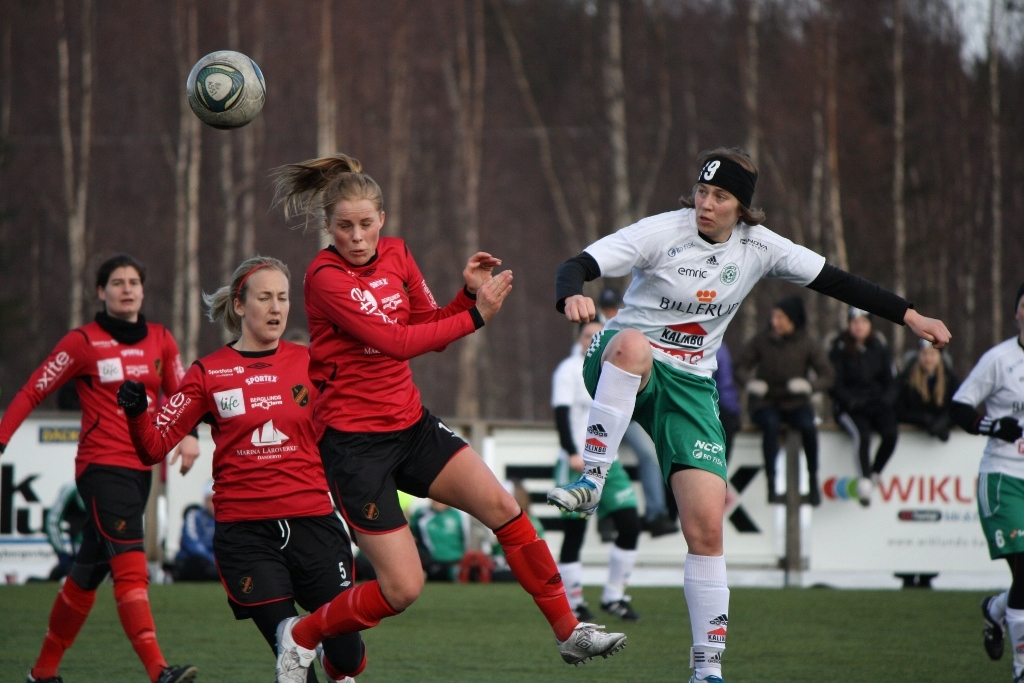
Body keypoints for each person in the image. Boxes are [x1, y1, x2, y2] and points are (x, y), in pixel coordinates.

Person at [546, 147, 950, 683]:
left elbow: (838, 281)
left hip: (692, 387)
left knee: (707, 530)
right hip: (621, 361)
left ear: (742, 207)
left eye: (720, 196)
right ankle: (593, 481)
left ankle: (707, 670)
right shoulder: (662, 232)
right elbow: (576, 265)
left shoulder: (760, 247)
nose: (705, 204)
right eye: (702, 192)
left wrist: (910, 316)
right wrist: (571, 295)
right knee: (633, 344)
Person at [267, 154, 625, 682]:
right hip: (355, 447)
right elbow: (395, 342)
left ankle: (568, 631)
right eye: (344, 227)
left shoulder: (397, 254)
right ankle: (300, 635)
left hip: (411, 426)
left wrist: (467, 295)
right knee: (402, 589)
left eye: (365, 224)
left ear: (382, 219)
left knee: (505, 508)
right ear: (328, 226)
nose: (357, 237)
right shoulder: (324, 276)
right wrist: (477, 315)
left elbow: (428, 326)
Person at [119, 256, 365, 683]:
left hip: (313, 524)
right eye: (265, 297)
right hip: (247, 536)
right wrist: (138, 412)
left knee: (348, 657)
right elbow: (152, 447)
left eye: (283, 298)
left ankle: (335, 662)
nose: (276, 308)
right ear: (239, 304)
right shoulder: (207, 373)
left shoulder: (314, 362)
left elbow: (353, 430)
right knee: (294, 661)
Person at [0, 254, 199, 683]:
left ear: (143, 290)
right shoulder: (82, 343)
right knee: (131, 569)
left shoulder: (162, 339)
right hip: (101, 468)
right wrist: (2, 437)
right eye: (117, 282)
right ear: (100, 291)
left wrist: (190, 435)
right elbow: (34, 389)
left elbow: (183, 396)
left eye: (134, 282)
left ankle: (42, 672)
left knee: (85, 577)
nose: (127, 289)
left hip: (141, 471)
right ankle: (159, 672)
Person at [949, 282, 1024, 682]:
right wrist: (993, 425)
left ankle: (995, 610)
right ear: (1016, 313)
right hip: (1003, 478)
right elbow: (959, 407)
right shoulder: (999, 360)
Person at [553, 322, 642, 622]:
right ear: (579, 339)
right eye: (587, 335)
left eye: (599, 334)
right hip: (577, 462)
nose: (593, 339)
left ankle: (614, 596)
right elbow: (561, 414)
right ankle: (574, 601)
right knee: (575, 533)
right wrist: (571, 452)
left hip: (609, 462)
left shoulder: (612, 369)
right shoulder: (568, 370)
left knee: (630, 524)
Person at [736, 295, 833, 505]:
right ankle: (771, 481)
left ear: (793, 320)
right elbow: (740, 367)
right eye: (774, 317)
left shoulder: (807, 342)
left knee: (808, 427)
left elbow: (828, 375)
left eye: (780, 317)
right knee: (770, 425)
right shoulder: (762, 340)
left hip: (796, 402)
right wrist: (751, 383)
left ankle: (813, 479)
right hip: (766, 401)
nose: (775, 322)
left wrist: (810, 386)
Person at [599, 288, 677, 536]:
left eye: (614, 308)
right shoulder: (595, 331)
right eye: (607, 309)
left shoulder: (632, 326)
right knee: (601, 458)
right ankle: (606, 516)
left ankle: (656, 513)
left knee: (651, 455)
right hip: (603, 409)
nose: (611, 313)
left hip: (631, 410)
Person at [829, 307, 900, 506]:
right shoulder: (839, 350)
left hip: (876, 404)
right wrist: (850, 401)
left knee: (891, 433)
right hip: (851, 406)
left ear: (870, 325)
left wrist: (885, 400)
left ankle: (874, 472)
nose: (859, 327)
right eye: (855, 322)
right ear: (849, 325)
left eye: (863, 322)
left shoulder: (881, 349)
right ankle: (865, 480)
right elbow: (834, 383)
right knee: (862, 435)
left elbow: (892, 381)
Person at [896, 339, 958, 441]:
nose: (928, 359)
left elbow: (960, 407)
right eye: (924, 354)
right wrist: (924, 420)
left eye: (932, 354)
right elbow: (899, 409)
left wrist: (944, 422)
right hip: (911, 439)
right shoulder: (907, 379)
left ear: (940, 356)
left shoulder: (949, 379)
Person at [410, 500, 470, 582]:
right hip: (431, 561)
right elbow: (411, 536)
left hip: (456, 560)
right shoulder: (421, 514)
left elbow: (466, 539)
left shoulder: (458, 515)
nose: (436, 501)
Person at [172, 481, 218, 582]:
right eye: (211, 500)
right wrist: (214, 560)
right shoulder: (194, 515)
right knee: (198, 563)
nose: (214, 504)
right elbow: (192, 544)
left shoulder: (226, 519)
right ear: (205, 501)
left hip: (215, 562)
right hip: (193, 560)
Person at [43, 482, 87, 582]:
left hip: (111, 550)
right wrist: (62, 554)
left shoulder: (115, 486)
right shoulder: (72, 489)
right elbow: (52, 521)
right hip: (82, 551)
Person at [712, 343, 741, 463]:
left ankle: (720, 467)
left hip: (710, 404)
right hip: (678, 404)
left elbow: (725, 385)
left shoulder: (718, 346)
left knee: (727, 421)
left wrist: (733, 411)